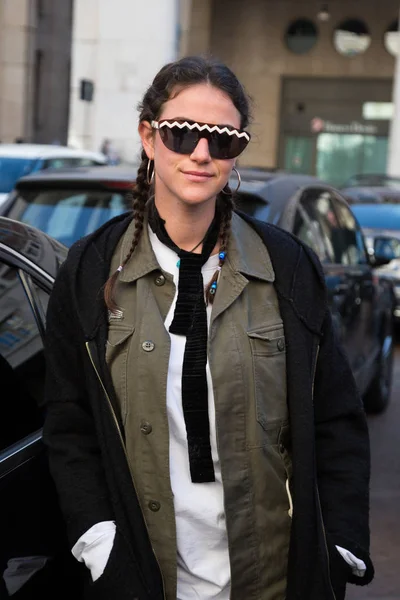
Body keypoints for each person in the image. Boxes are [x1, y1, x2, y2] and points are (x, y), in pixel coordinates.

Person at [43, 56, 374, 600]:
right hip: (143, 576)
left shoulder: (286, 267)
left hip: (272, 577)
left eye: (221, 139)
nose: (201, 154)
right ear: (149, 138)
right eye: (182, 134)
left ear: (237, 151)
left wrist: (336, 547)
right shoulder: (90, 270)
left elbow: (337, 417)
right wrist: (100, 545)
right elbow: (69, 422)